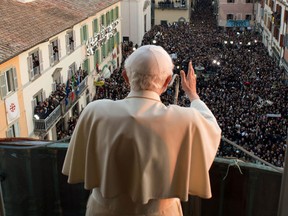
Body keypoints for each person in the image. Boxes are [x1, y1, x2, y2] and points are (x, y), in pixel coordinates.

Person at [62, 45, 222, 216]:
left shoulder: (94, 111)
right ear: (168, 81)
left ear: (125, 77)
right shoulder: (185, 120)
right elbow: (212, 127)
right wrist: (193, 95)